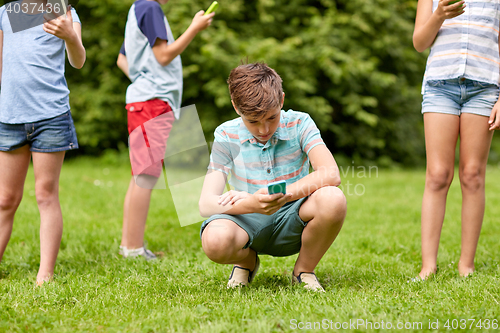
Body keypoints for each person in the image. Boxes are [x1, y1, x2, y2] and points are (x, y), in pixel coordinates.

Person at [198, 63, 347, 291]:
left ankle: (303, 270)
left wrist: (280, 194)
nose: (263, 129)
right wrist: (251, 203)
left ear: (282, 101)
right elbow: (206, 203)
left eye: (271, 118)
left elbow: (331, 173)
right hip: (246, 220)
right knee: (215, 240)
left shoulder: (300, 123)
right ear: (236, 107)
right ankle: (247, 263)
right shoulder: (225, 133)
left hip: (294, 216)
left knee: (333, 198)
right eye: (253, 121)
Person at [116, 0, 214, 260]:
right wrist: (195, 27)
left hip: (145, 100)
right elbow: (163, 55)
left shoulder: (139, 7)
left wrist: (141, 80)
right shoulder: (150, 7)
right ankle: (134, 249)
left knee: (141, 175)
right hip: (152, 102)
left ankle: (130, 245)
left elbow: (122, 59)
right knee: (146, 176)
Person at [413, 0, 500, 279]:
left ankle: (466, 265)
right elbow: (419, 42)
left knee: (473, 174)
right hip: (440, 86)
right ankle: (428, 266)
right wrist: (439, 14)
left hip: (484, 87)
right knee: (437, 174)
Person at [0, 0, 85, 285]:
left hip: (51, 116)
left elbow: (78, 60)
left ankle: (45, 274)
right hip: (10, 117)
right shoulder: (7, 12)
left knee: (45, 194)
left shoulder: (63, 12)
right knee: (5, 199)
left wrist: (71, 36)